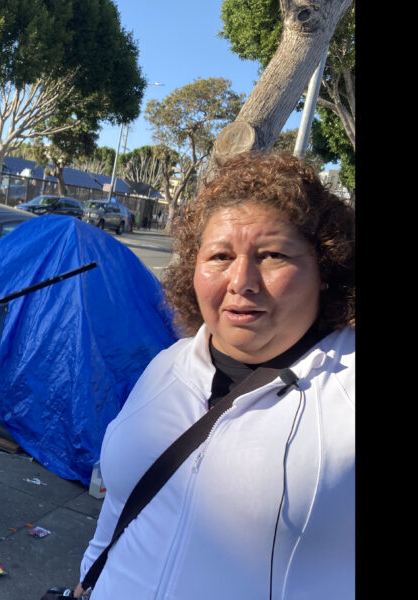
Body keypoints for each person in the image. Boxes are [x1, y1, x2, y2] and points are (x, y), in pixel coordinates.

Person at [73, 152, 355, 599]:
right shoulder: (168, 365)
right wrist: (89, 575)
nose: (241, 280)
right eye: (220, 255)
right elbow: (121, 502)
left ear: (325, 268)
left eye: (274, 255)